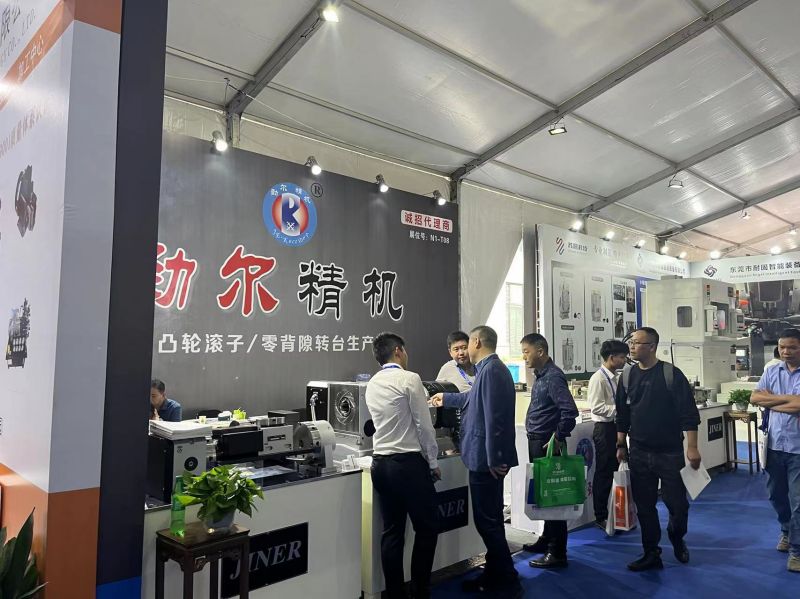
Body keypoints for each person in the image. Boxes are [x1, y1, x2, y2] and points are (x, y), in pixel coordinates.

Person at [430, 326, 522, 597]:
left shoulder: (491, 370)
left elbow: (494, 419)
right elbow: (473, 399)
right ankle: (495, 575)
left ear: (476, 342)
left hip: (486, 461)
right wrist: (446, 398)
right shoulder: (489, 370)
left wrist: (494, 459)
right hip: (483, 457)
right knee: (490, 521)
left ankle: (508, 581)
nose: (463, 350)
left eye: (466, 344)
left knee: (488, 523)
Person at [615, 327, 701, 571]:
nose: (631, 347)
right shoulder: (627, 376)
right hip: (639, 452)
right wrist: (621, 444)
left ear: (652, 346)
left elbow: (688, 414)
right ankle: (651, 552)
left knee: (677, 505)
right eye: (631, 342)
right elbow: (622, 414)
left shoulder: (671, 374)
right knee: (645, 507)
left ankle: (676, 536)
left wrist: (692, 447)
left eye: (637, 343)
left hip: (669, 453)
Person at [365, 332, 441, 598]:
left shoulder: (372, 383)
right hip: (407, 464)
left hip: (380, 464)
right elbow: (424, 425)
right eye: (405, 351)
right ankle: (420, 591)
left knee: (393, 532)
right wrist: (433, 461)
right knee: (428, 528)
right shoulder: (410, 379)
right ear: (398, 350)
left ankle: (395, 593)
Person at [519, 333, 579, 568]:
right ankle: (546, 539)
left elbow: (569, 412)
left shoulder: (553, 377)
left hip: (547, 444)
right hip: (538, 441)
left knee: (554, 497)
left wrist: (558, 436)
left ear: (540, 351)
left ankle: (557, 551)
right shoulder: (541, 375)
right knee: (544, 495)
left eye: (526, 352)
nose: (524, 357)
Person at [750, 328, 800, 573]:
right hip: (773, 446)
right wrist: (788, 401)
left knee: (798, 501)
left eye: (792, 347)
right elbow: (754, 397)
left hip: (798, 449)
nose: (786, 352)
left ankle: (797, 551)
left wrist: (771, 401)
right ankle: (786, 531)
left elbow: (799, 405)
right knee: (776, 496)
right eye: (782, 347)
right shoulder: (772, 370)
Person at [587, 339, 629, 531]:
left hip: (616, 428)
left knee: (617, 470)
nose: (624, 360)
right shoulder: (598, 379)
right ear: (611, 358)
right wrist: (620, 410)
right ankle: (601, 516)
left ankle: (617, 513)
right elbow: (596, 407)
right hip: (604, 430)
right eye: (622, 357)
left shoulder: (616, 377)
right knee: (604, 473)